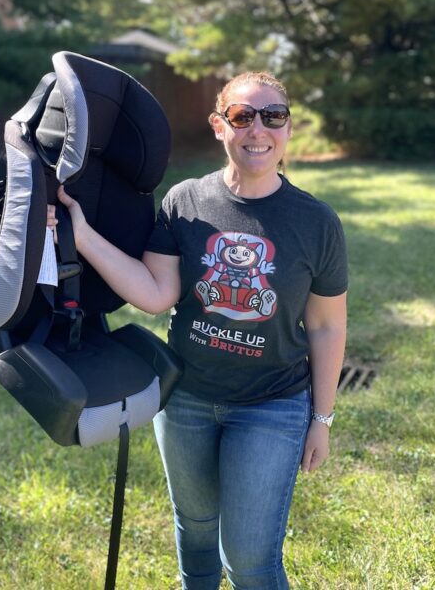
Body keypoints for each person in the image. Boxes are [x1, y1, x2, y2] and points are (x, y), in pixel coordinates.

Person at [49, 71, 348, 590]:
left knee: (251, 562)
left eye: (272, 116)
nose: (258, 130)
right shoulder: (185, 201)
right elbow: (154, 292)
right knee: (197, 530)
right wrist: (83, 236)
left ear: (288, 128)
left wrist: (321, 418)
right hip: (184, 400)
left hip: (272, 405)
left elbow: (325, 326)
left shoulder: (316, 222)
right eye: (242, 116)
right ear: (219, 125)